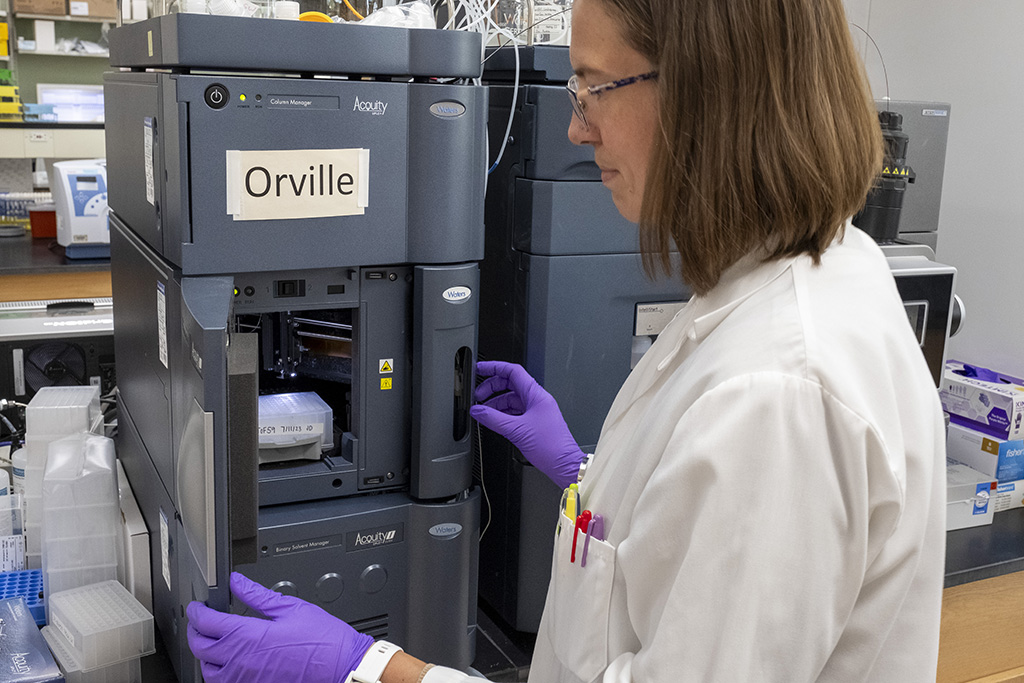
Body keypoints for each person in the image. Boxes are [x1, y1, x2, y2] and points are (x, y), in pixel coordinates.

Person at [187, 0, 947, 680]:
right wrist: (587, 471)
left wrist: (371, 666)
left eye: (593, 87)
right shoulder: (807, 273)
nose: (578, 128)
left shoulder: (779, 395)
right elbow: (695, 550)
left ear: (706, 89)